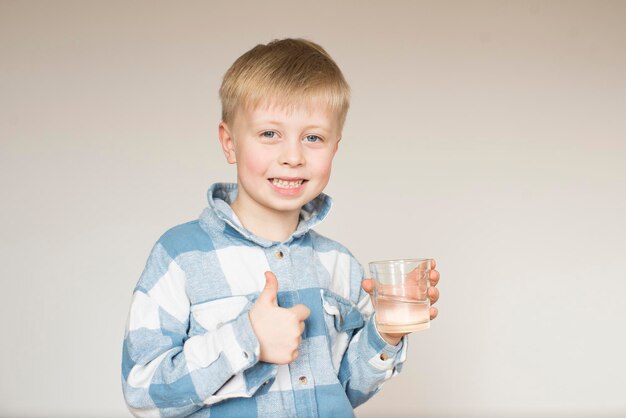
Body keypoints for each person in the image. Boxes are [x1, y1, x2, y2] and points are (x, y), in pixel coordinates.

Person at [121, 38, 441, 418]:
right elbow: (142, 393)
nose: (292, 157)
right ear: (229, 143)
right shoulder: (180, 256)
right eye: (270, 134)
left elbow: (345, 387)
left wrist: (385, 332)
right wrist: (246, 340)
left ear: (335, 148)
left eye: (313, 138)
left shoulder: (339, 263)